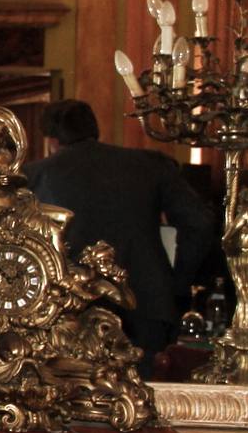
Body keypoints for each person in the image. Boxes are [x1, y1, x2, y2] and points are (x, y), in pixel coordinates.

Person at [23, 99, 214, 369]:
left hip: (64, 312)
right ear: (95, 131)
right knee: (149, 400)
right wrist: (178, 283)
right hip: (147, 305)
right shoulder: (151, 165)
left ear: (52, 140)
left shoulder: (34, 176)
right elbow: (199, 223)